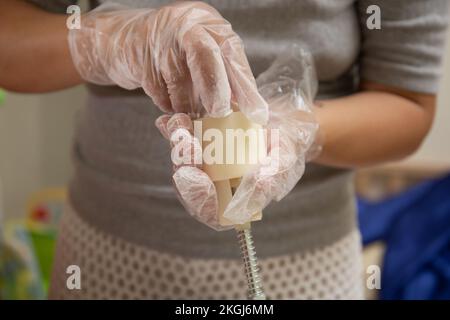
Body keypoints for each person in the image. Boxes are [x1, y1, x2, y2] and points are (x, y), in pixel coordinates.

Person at [0, 0, 448, 299]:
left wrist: (296, 130)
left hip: (303, 270)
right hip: (105, 258)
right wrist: (108, 40)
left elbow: (408, 103)